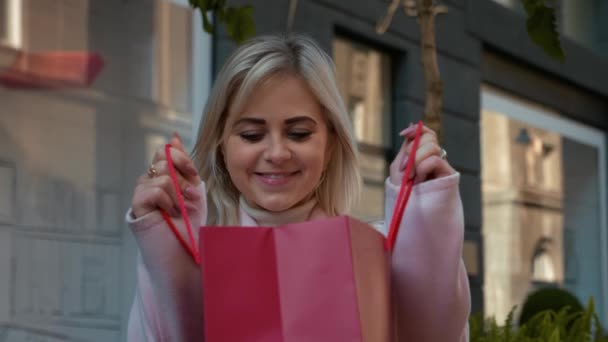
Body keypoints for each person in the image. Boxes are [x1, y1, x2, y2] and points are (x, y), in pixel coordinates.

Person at [126, 34, 470, 341]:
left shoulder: (379, 257)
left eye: (299, 133)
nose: (277, 153)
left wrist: (425, 216)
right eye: (251, 135)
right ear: (221, 144)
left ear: (331, 143)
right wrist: (170, 248)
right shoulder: (190, 260)